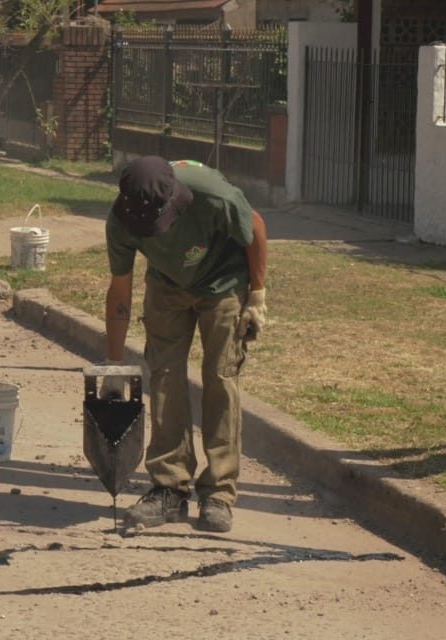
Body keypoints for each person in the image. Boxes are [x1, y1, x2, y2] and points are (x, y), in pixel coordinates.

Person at [101, 156, 268, 533]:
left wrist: (257, 296)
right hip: (166, 285)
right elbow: (120, 292)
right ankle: (168, 489)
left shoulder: (211, 194)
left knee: (221, 379)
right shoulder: (121, 221)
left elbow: (255, 227)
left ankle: (219, 494)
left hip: (223, 281)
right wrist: (112, 364)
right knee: (163, 377)